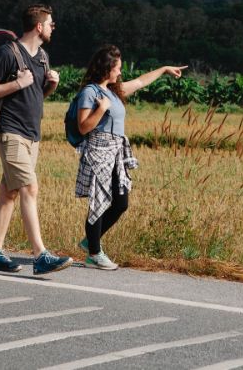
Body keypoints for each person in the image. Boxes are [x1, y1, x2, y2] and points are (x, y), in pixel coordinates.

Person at [0, 3, 73, 276]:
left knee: (10, 193)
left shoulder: (42, 57)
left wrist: (50, 86)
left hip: (32, 134)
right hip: (9, 130)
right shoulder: (8, 53)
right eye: (51, 23)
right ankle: (40, 255)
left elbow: (34, 96)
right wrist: (17, 83)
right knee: (30, 188)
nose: (54, 27)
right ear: (39, 26)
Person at [74, 45, 187, 270]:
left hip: (116, 152)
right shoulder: (91, 92)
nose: (120, 72)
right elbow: (83, 127)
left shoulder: (114, 91)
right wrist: (101, 109)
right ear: (106, 68)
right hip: (99, 151)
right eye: (117, 68)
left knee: (120, 202)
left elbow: (141, 82)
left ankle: (90, 242)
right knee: (99, 200)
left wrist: (164, 69)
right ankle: (95, 253)